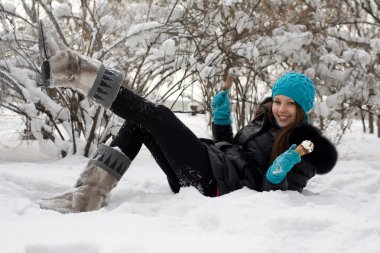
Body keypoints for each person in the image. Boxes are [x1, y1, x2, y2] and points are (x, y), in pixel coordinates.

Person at [37, 20, 338, 213]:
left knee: (158, 115)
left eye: (291, 105)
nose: (282, 109)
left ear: (302, 110)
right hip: (212, 168)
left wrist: (282, 167)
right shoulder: (265, 121)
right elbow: (237, 152)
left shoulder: (308, 147)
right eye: (279, 101)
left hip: (215, 186)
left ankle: (75, 69)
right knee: (140, 123)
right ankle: (88, 194)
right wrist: (222, 119)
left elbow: (272, 191)